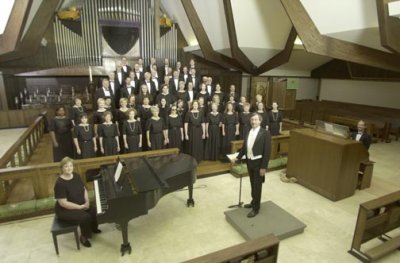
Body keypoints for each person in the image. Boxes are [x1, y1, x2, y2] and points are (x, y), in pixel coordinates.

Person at [54, 157, 100, 248]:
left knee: (94, 210)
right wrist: (80, 207)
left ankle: (93, 229)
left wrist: (87, 201)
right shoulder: (60, 183)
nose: (69, 168)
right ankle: (84, 237)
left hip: (80, 203)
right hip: (65, 209)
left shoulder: (76, 175)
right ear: (62, 168)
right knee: (85, 217)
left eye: (70, 166)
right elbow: (63, 203)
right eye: (66, 166)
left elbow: (83, 189)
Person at [234, 113, 271, 218]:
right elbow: (245, 147)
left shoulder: (265, 133)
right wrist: (239, 157)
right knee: (252, 184)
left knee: (257, 186)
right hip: (250, 162)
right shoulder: (249, 131)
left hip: (259, 164)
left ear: (260, 121)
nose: (253, 122)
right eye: (252, 120)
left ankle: (256, 208)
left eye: (255, 120)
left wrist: (264, 167)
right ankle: (253, 201)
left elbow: (267, 152)